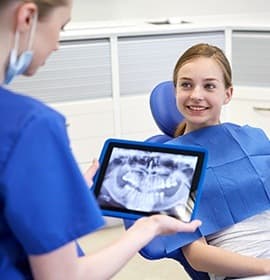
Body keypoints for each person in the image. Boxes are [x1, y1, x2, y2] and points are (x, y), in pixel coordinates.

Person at [0, 1, 202, 279]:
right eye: (61, 27)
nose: (57, 43)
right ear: (27, 17)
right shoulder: (32, 126)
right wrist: (148, 228)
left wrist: (57, 194)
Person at [166, 43, 270, 279]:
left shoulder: (253, 139)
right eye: (186, 85)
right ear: (175, 91)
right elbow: (197, 255)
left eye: (209, 86)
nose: (196, 95)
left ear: (227, 94)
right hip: (244, 266)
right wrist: (265, 266)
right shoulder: (169, 163)